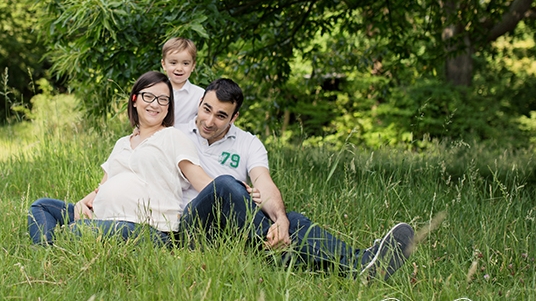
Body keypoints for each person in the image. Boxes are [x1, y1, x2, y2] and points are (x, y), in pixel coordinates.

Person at [177, 78, 415, 280]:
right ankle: (284, 254)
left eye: (221, 116)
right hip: (194, 226)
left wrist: (280, 220)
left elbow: (264, 182)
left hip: (236, 229)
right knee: (226, 185)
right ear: (199, 103)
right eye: (206, 109)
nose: (210, 121)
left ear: (234, 117)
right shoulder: (176, 134)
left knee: (293, 220)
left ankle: (362, 266)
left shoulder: (248, 143)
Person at [27, 71, 248, 246]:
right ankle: (48, 248)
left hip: (150, 228)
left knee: (78, 230)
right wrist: (83, 203)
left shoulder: (173, 136)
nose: (155, 104)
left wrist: (235, 191)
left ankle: (65, 239)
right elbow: (103, 186)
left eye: (163, 100)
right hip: (104, 218)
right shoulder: (122, 143)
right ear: (135, 100)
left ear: (169, 107)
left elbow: (201, 181)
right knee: (42, 206)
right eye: (148, 96)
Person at [161, 37, 205, 125]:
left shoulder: (200, 95)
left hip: (186, 137)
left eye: (185, 63)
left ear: (193, 66)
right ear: (164, 64)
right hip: (159, 136)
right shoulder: (157, 90)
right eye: (173, 63)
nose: (179, 69)